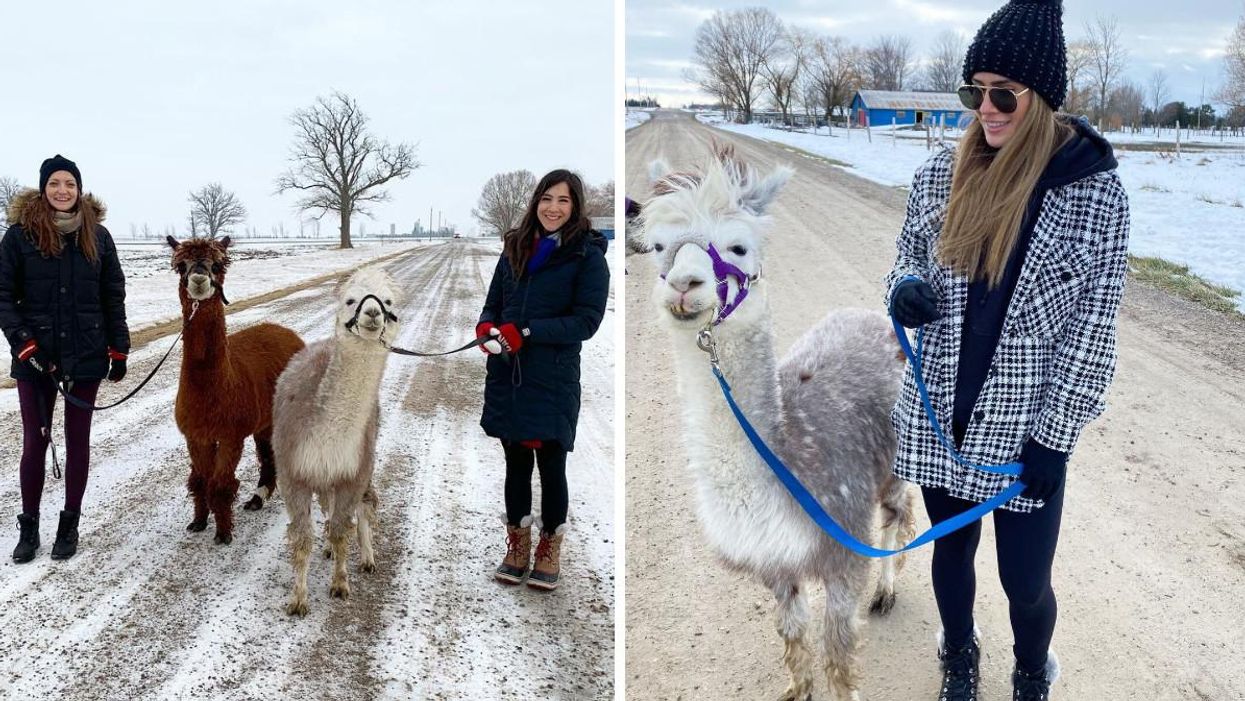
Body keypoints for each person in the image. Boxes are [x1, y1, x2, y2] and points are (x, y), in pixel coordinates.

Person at [884, 1, 1130, 699]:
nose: (984, 109)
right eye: (973, 92)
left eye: (1001, 94)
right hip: (940, 414)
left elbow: (1092, 329)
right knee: (950, 550)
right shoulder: (938, 175)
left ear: (1042, 98)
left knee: (1025, 580)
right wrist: (902, 288)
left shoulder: (1093, 195)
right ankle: (957, 652)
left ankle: (1030, 666)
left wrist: (1054, 439)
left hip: (1023, 431)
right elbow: (904, 257)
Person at [477, 169, 609, 591]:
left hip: (553, 379)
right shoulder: (514, 247)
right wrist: (486, 329)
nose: (553, 208)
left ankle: (549, 547)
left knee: (552, 466)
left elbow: (586, 322)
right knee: (515, 463)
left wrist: (527, 332)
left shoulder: (587, 255)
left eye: (564, 201)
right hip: (508, 375)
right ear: (536, 201)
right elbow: (493, 304)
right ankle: (517, 545)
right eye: (547, 199)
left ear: (575, 207)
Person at [0, 155, 130, 563]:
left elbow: (113, 295)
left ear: (79, 189)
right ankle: (30, 526)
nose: (62, 191)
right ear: (43, 188)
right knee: (34, 443)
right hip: (35, 359)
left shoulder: (99, 237)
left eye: (69, 184)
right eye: (55, 183)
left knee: (78, 443)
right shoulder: (19, 237)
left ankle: (69, 524)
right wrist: (25, 346)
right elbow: (3, 297)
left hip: (87, 354)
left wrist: (118, 347)